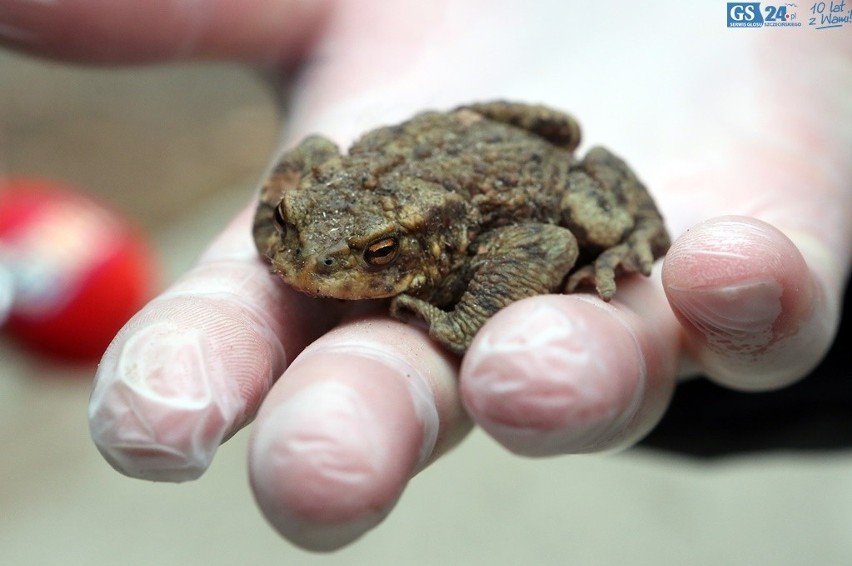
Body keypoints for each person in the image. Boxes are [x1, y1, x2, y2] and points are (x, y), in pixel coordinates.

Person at [2, 0, 849, 551]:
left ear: (410, 248)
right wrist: (281, 225)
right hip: (416, 157)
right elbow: (309, 159)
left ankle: (628, 232)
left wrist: (465, 313)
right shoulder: (323, 199)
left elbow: (548, 245)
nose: (310, 266)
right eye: (296, 236)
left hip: (520, 179)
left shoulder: (467, 236)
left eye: (370, 258)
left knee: (596, 218)